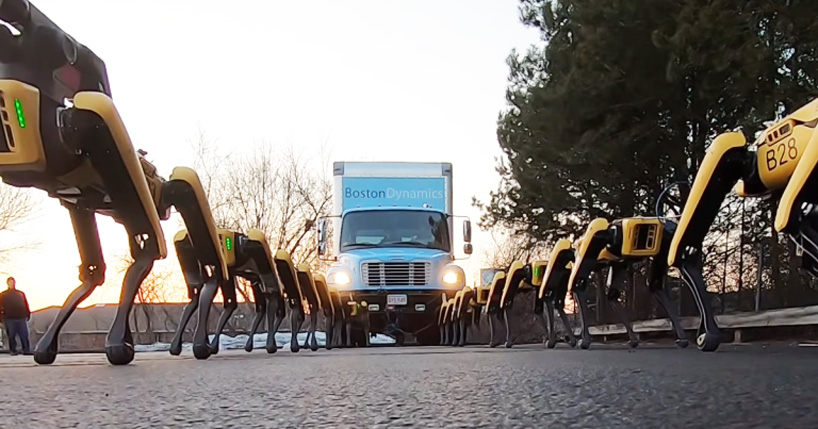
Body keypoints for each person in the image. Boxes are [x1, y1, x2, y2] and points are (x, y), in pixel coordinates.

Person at [0, 277, 31, 355]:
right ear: (8, 283)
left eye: (13, 282)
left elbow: (26, 303)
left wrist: (28, 313)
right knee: (11, 335)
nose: (12, 284)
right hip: (9, 318)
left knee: (24, 334)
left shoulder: (20, 293)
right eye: (10, 282)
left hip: (21, 317)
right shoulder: (3, 295)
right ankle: (13, 350)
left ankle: (26, 350)